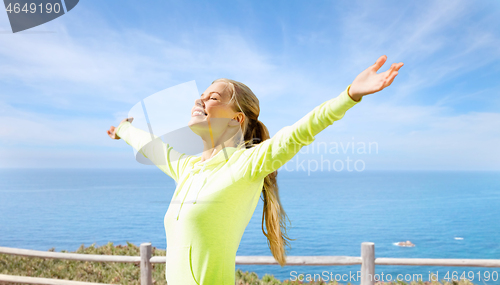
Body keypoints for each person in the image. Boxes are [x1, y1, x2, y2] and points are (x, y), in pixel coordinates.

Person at [107, 55, 403, 285]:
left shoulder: (247, 165)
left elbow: (300, 132)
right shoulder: (187, 169)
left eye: (213, 97)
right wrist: (123, 129)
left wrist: (349, 95)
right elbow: (152, 146)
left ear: (236, 119)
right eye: (202, 95)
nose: (201, 99)